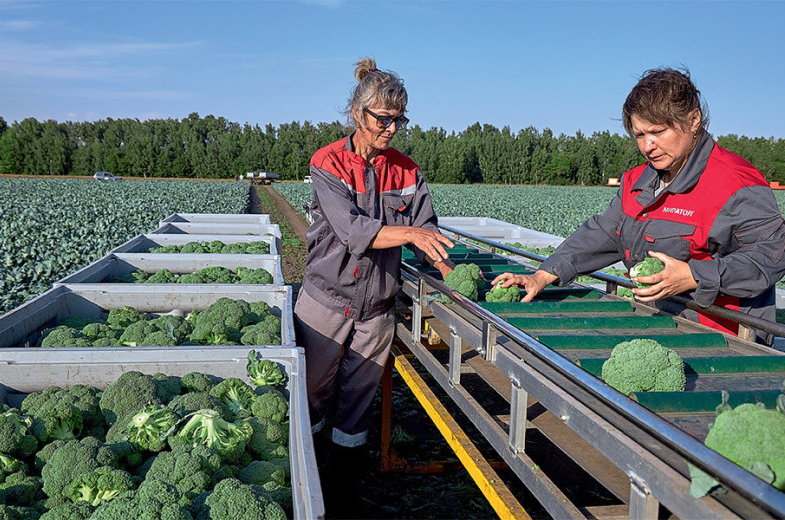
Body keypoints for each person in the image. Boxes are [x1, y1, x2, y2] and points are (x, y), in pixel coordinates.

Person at [494, 68, 785, 345]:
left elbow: (769, 259)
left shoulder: (736, 184)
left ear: (693, 120)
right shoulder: (637, 181)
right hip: (656, 323)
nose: (648, 146)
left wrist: (694, 276)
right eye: (640, 135)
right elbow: (605, 233)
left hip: (722, 339)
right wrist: (542, 275)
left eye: (657, 132)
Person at [293, 57, 454, 512]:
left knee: (359, 400)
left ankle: (344, 488)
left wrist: (446, 264)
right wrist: (411, 234)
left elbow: (427, 228)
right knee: (314, 391)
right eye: (382, 119)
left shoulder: (407, 170)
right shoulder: (328, 162)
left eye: (398, 120)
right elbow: (353, 232)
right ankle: (309, 475)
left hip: (377, 306)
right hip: (326, 299)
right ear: (357, 113)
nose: (391, 128)